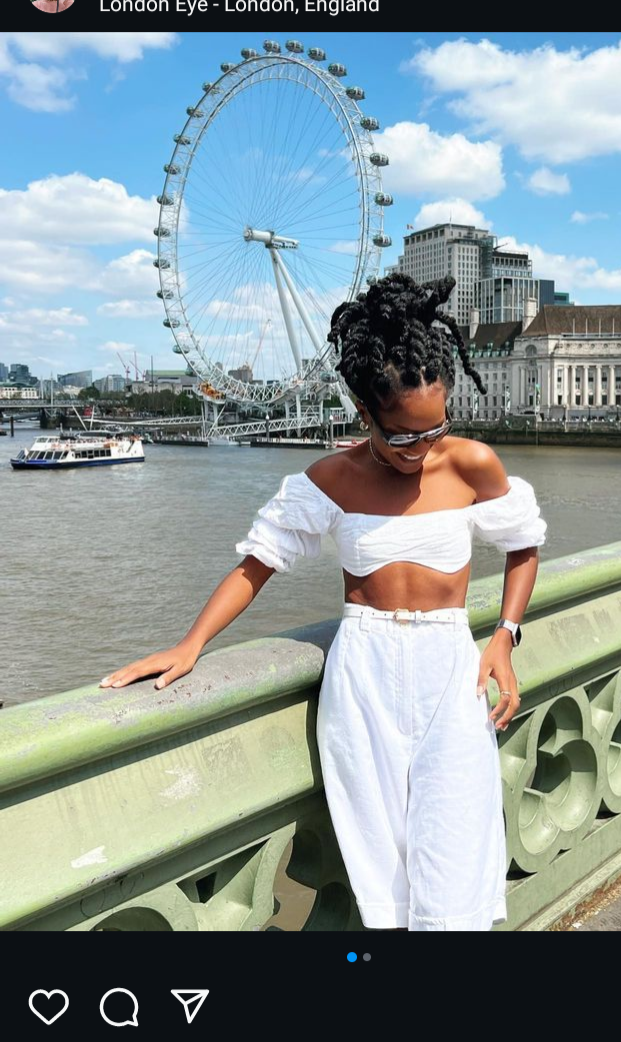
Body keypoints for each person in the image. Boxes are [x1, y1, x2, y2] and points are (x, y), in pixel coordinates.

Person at [99, 272, 547, 931]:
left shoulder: (471, 463)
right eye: (402, 436)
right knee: (378, 859)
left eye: (435, 428)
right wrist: (191, 645)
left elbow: (523, 545)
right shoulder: (330, 480)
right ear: (365, 414)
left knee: (457, 842)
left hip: (452, 669)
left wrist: (505, 636)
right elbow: (256, 566)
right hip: (363, 673)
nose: (422, 450)